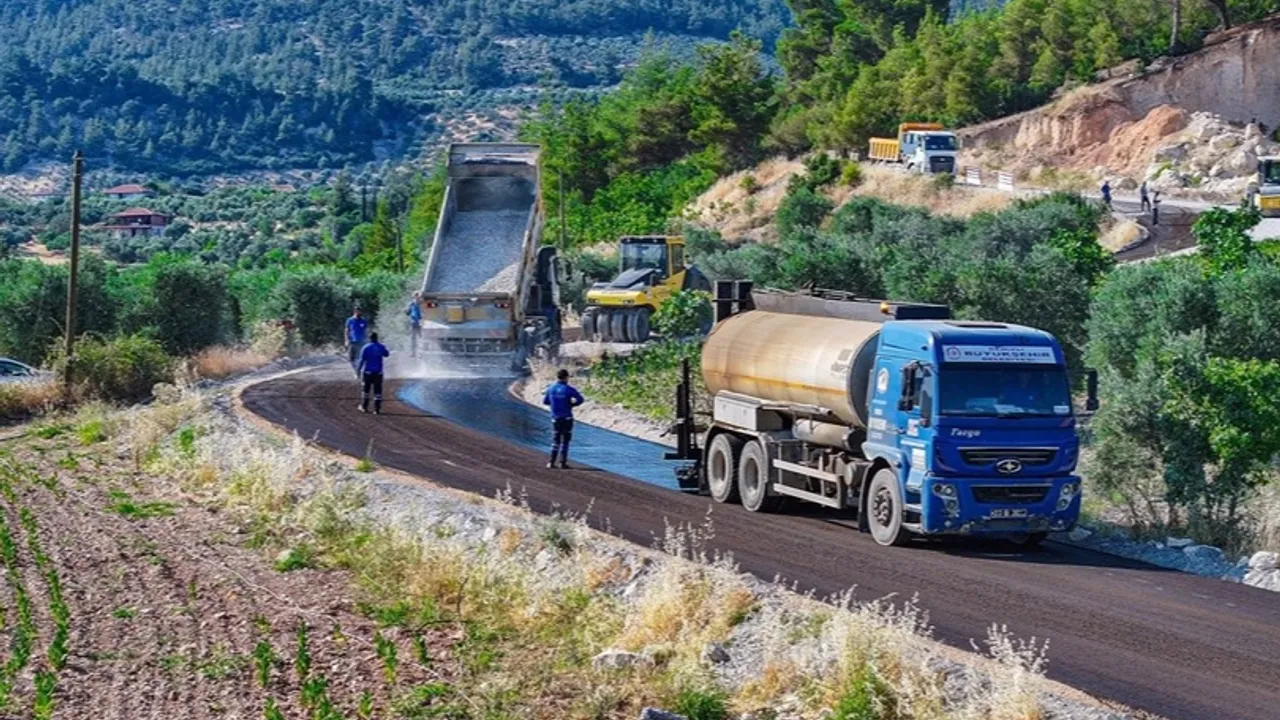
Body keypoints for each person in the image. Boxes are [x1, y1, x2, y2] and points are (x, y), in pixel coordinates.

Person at [542, 368, 584, 469]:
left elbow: (545, 401)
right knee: (565, 440)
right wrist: (571, 404)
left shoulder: (551, 388)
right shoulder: (568, 389)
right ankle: (562, 462)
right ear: (566, 377)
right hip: (567, 417)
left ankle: (551, 462)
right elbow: (580, 399)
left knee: (556, 439)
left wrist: (554, 403)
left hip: (555, 417)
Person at [357, 332, 390, 415]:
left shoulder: (365, 347)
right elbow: (387, 354)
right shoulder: (381, 346)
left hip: (367, 372)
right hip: (378, 373)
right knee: (377, 391)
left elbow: (361, 361)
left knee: (366, 391)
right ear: (377, 338)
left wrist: (358, 370)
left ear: (369, 339)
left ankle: (364, 407)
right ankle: (376, 409)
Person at [344, 306, 369, 377]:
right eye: (358, 311)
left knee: (361, 358)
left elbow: (366, 331)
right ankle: (356, 371)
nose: (360, 313)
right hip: (352, 341)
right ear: (355, 312)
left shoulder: (363, 321)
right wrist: (346, 340)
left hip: (362, 342)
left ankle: (360, 372)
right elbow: (346, 331)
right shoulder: (349, 320)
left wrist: (367, 340)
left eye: (360, 311)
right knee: (351, 358)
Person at [405, 292, 423, 358]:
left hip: (418, 322)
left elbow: (421, 314)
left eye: (418, 296)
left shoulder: (420, 303)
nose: (417, 297)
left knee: (420, 337)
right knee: (413, 338)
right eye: (416, 296)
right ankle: (413, 353)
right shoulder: (411, 304)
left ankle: (419, 352)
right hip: (413, 322)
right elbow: (407, 312)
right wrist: (406, 310)